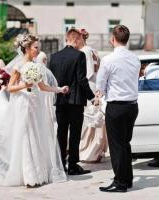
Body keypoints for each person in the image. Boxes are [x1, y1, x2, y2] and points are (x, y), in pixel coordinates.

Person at [0, 33, 67, 186]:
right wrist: (25, 85)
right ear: (28, 49)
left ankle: (40, 172)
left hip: (36, 104)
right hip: (23, 104)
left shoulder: (37, 66)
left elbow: (43, 87)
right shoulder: (18, 66)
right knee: (26, 136)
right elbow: (10, 88)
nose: (38, 50)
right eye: (36, 48)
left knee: (37, 135)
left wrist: (59, 89)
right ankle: (29, 175)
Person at [96, 25, 140, 192]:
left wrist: (99, 96)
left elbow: (100, 84)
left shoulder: (108, 59)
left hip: (116, 106)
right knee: (125, 144)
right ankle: (127, 179)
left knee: (117, 146)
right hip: (132, 106)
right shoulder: (135, 58)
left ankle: (120, 182)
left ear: (113, 39)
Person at [49, 28, 95, 175]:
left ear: (66, 39)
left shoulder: (54, 56)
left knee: (61, 132)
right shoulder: (79, 56)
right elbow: (82, 79)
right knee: (74, 133)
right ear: (75, 40)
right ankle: (73, 165)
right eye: (79, 40)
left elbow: (52, 80)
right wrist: (92, 97)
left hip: (60, 100)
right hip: (75, 101)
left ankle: (61, 163)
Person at [78, 28, 108, 163]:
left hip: (88, 86)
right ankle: (98, 150)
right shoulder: (93, 50)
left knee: (89, 121)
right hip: (96, 85)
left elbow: (86, 73)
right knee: (96, 118)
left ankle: (88, 152)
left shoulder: (83, 52)